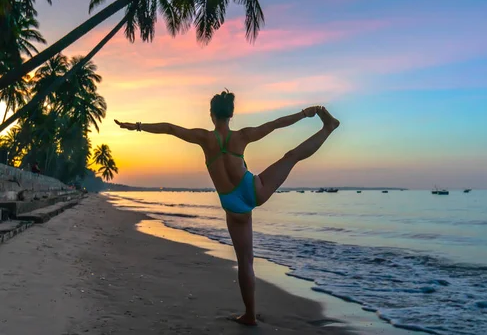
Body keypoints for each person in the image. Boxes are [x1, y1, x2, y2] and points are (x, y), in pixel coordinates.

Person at [115, 91, 339, 326]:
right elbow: (276, 124)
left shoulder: (204, 138)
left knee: (245, 261)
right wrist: (304, 114)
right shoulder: (242, 136)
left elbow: (170, 128)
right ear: (231, 114)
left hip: (233, 206)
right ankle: (327, 128)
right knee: (291, 156)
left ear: (211, 115)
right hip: (255, 190)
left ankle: (250, 315)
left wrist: (137, 126)